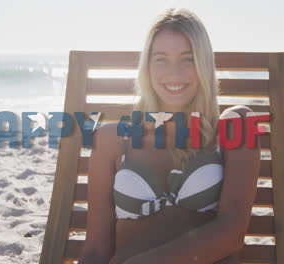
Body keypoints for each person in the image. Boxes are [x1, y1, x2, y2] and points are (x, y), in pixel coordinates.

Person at [79, 8, 261, 264]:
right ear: (147, 66)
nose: (174, 73)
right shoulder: (111, 140)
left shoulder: (235, 127)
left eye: (187, 59)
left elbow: (232, 233)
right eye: (161, 59)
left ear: (204, 64)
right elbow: (96, 250)